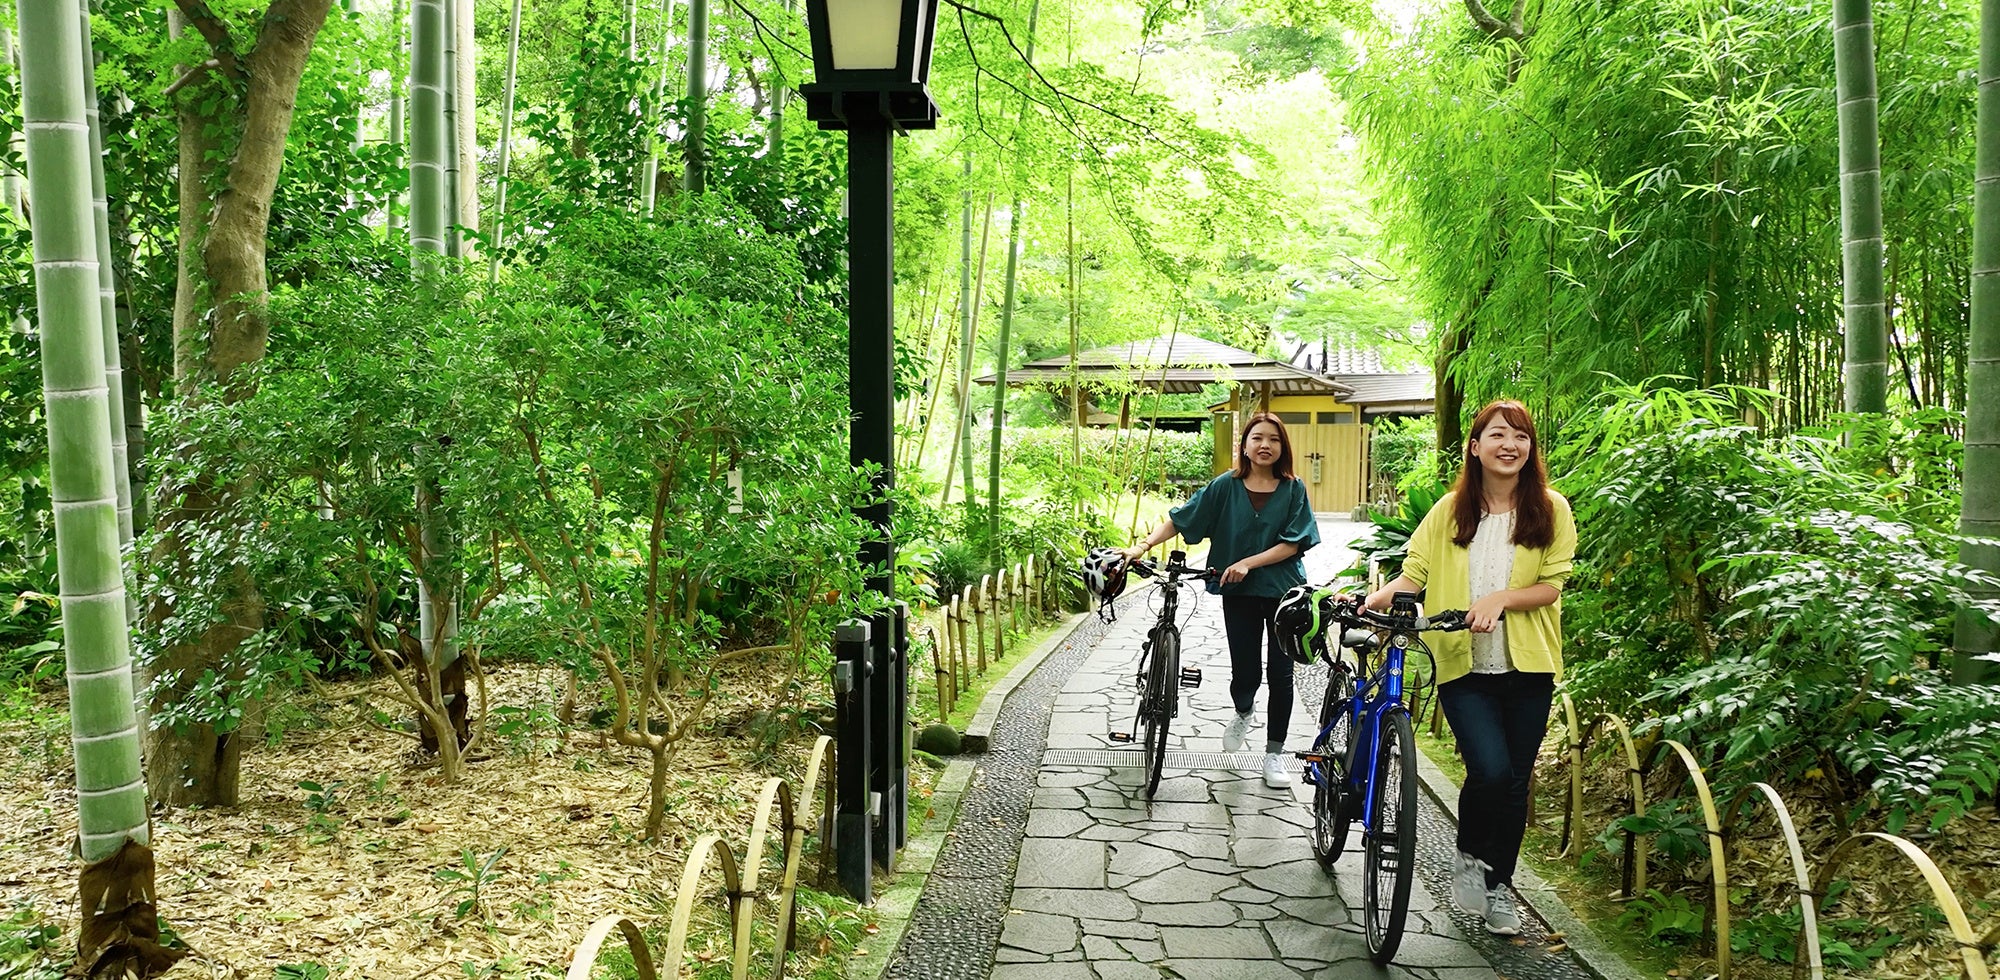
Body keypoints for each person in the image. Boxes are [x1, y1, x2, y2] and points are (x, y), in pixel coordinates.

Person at [1364, 399, 1576, 936]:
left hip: (1529, 667)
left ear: (1530, 449)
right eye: (1498, 435)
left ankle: (1499, 885)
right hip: (1463, 665)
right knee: (1490, 771)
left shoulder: (1551, 509)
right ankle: (1469, 854)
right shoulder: (1448, 511)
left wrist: (1501, 598)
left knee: (1513, 784)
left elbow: (1552, 585)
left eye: (1521, 437)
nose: (1510, 445)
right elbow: (1413, 575)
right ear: (1475, 447)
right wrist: (1375, 601)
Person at [1125, 412, 1320, 788]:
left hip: (1285, 593)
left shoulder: (1294, 489)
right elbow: (1182, 519)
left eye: (1274, 440)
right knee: (1245, 673)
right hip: (1239, 595)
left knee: (1281, 675)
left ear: (1283, 447)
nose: (1265, 445)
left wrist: (1247, 562)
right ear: (1244, 445)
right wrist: (1143, 545)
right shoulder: (1224, 486)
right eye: (1257, 438)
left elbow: (1294, 543)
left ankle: (1274, 754)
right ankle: (1243, 711)